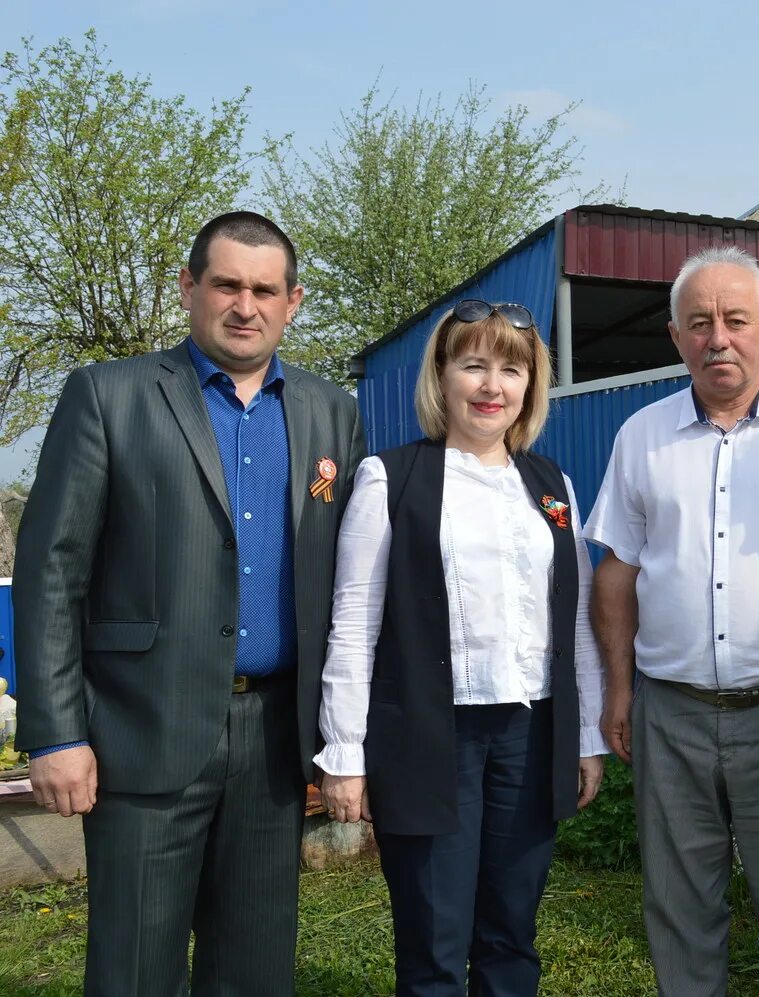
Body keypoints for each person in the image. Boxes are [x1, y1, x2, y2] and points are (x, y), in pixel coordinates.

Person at [14, 211, 366, 995]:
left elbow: (350, 582)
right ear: (188, 288)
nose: (246, 305)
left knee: (254, 968)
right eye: (227, 284)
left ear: (293, 301)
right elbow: (50, 570)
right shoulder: (109, 395)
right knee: (135, 967)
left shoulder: (330, 412)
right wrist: (55, 732)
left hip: (275, 739)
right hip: (143, 728)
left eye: (265, 289)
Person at [584, 246, 759, 996]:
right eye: (698, 323)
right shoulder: (641, 434)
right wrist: (617, 689)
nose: (718, 339)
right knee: (678, 905)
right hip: (669, 711)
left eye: (736, 320)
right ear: (675, 337)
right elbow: (617, 570)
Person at [316, 299, 606, 995]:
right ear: (441, 376)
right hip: (427, 738)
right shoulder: (391, 478)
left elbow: (575, 619)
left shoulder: (551, 487)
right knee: (434, 940)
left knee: (512, 933)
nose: (491, 384)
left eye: (511, 367)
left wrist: (587, 734)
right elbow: (353, 620)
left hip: (529, 735)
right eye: (472, 363)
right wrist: (345, 754)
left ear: (530, 384)